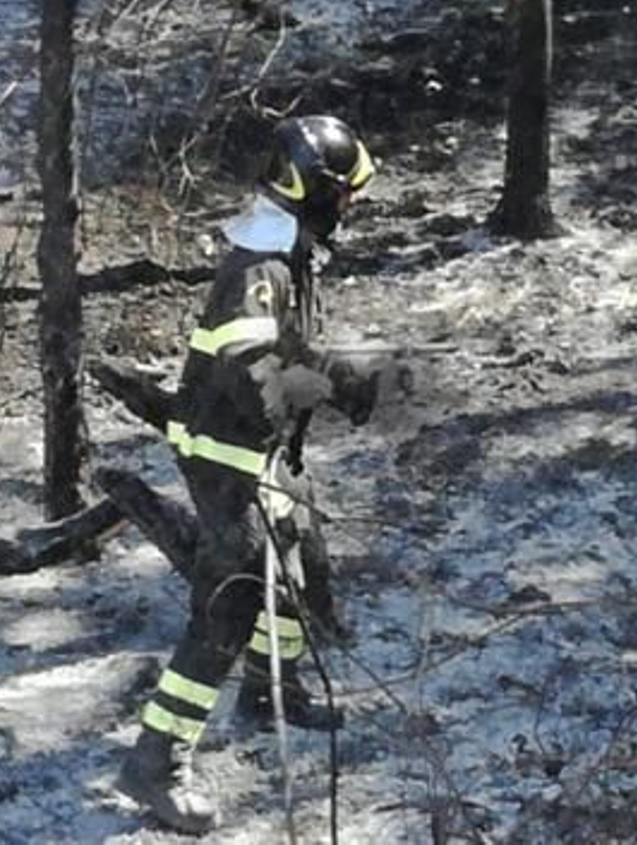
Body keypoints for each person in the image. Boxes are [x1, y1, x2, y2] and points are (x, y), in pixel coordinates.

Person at [115, 115, 381, 834]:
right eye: (346, 195)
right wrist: (324, 383)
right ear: (319, 194)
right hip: (224, 455)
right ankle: (155, 761)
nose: (350, 209)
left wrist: (334, 374)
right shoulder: (261, 265)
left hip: (257, 449)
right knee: (231, 602)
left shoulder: (285, 249)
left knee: (300, 555)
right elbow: (246, 364)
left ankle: (270, 691)